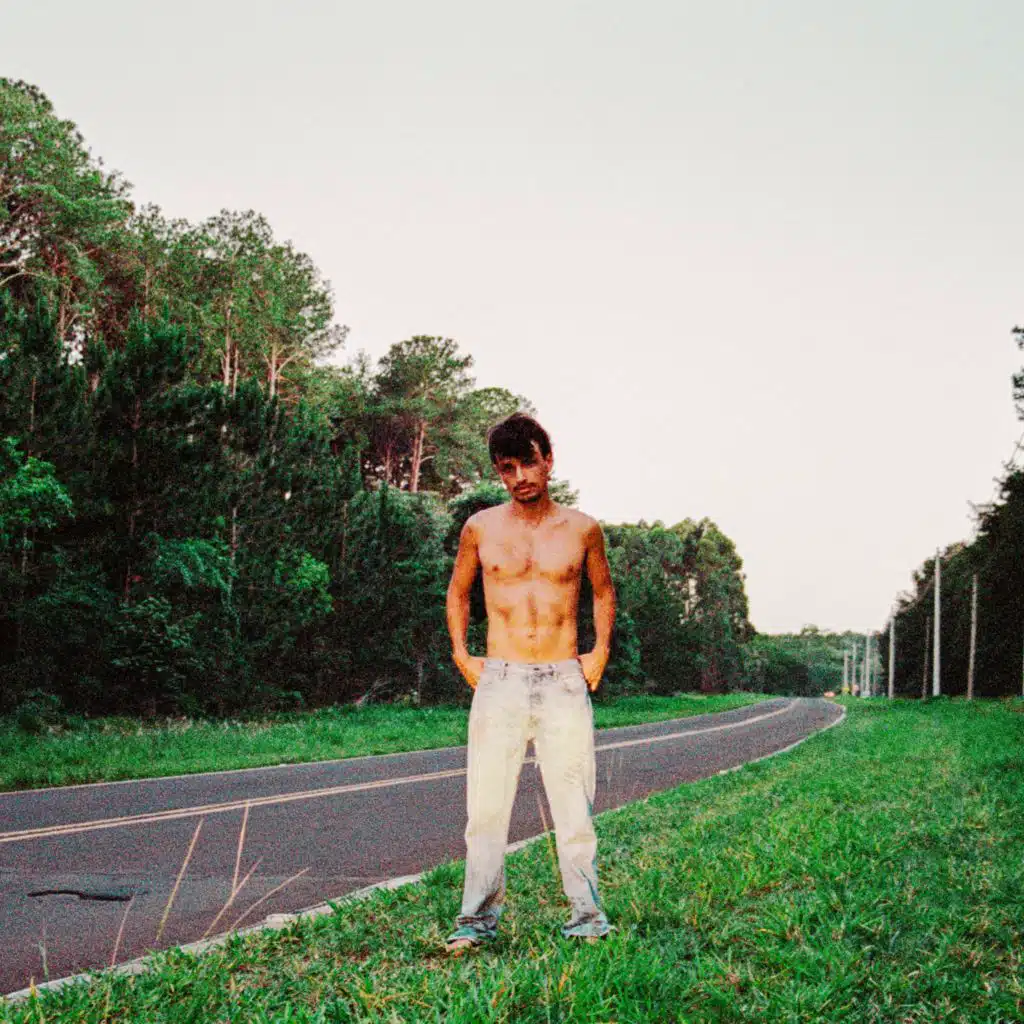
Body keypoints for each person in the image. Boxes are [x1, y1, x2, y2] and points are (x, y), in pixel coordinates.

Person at [444, 412, 616, 954]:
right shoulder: (480, 528)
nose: (519, 476)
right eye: (507, 468)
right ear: (499, 472)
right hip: (501, 679)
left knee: (573, 806)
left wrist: (599, 651)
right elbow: (458, 592)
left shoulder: (583, 529)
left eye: (528, 462)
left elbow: (602, 591)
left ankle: (587, 917)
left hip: (563, 679)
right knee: (486, 807)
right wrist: (462, 654)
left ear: (549, 460)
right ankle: (475, 921)